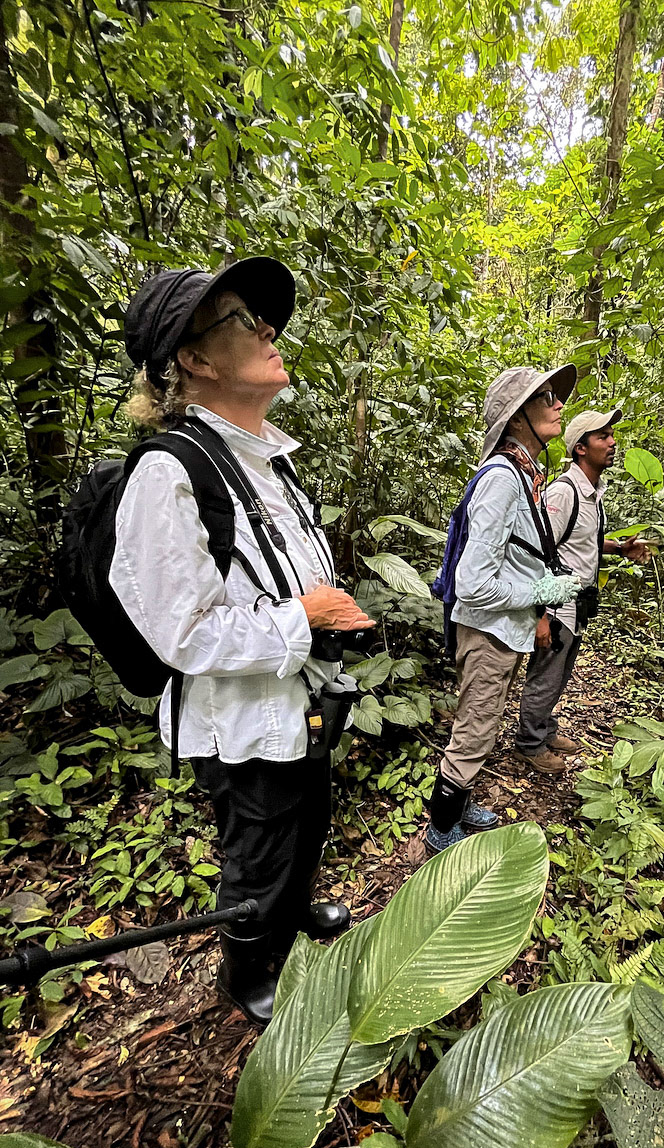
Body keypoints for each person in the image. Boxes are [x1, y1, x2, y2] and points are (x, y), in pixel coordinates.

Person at [115, 256, 375, 1025]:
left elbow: (283, 575)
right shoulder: (170, 473)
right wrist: (309, 617)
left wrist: (324, 611)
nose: (268, 329)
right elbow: (180, 632)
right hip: (238, 724)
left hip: (297, 705)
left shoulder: (267, 464)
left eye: (262, 318)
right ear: (192, 361)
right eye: (240, 319)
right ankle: (246, 966)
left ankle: (290, 919)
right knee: (257, 852)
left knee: (308, 824)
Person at [425, 366, 582, 854]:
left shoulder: (525, 477)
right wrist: (547, 591)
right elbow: (473, 585)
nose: (558, 405)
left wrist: (538, 596)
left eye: (555, 397)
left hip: (503, 630)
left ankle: (458, 800)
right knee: (474, 732)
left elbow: (511, 560)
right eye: (545, 399)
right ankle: (441, 831)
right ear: (517, 420)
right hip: (487, 631)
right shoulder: (502, 480)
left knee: (483, 723)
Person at [515, 408, 654, 772]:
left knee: (560, 675)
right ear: (580, 448)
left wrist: (618, 548)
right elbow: (541, 550)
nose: (612, 442)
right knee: (546, 676)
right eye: (602, 436)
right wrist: (541, 616)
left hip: (578, 603)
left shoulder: (592, 492)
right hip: (557, 605)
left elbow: (582, 540)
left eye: (611, 435)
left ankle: (544, 730)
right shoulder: (565, 490)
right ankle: (528, 744)